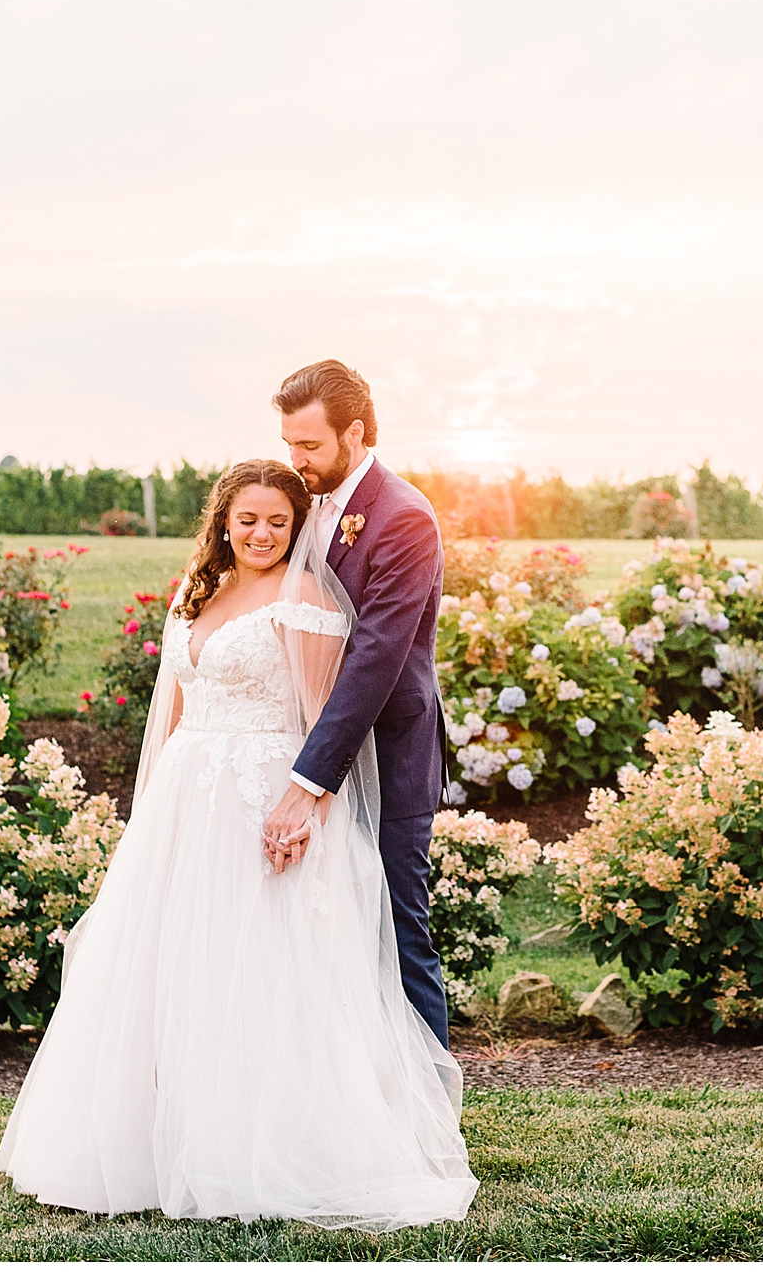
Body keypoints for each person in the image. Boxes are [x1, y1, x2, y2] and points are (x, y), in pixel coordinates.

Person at [0, 457, 476, 1230]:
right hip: (187, 803)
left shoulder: (308, 599)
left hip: (264, 801)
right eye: (246, 519)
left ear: (297, 530)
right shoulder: (200, 591)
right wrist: (155, 817)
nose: (261, 533)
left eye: (278, 523)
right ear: (223, 520)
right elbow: (180, 711)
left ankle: (266, 1144)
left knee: (258, 969)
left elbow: (323, 721)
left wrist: (304, 808)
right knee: (175, 965)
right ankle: (152, 1141)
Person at [264, 360, 455, 1048]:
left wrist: (308, 777)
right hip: (308, 745)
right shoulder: (302, 502)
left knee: (397, 930)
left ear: (355, 433)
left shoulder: (404, 518)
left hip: (388, 753)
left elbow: (376, 656)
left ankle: (431, 1113)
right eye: (288, 443)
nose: (296, 459)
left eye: (309, 445)